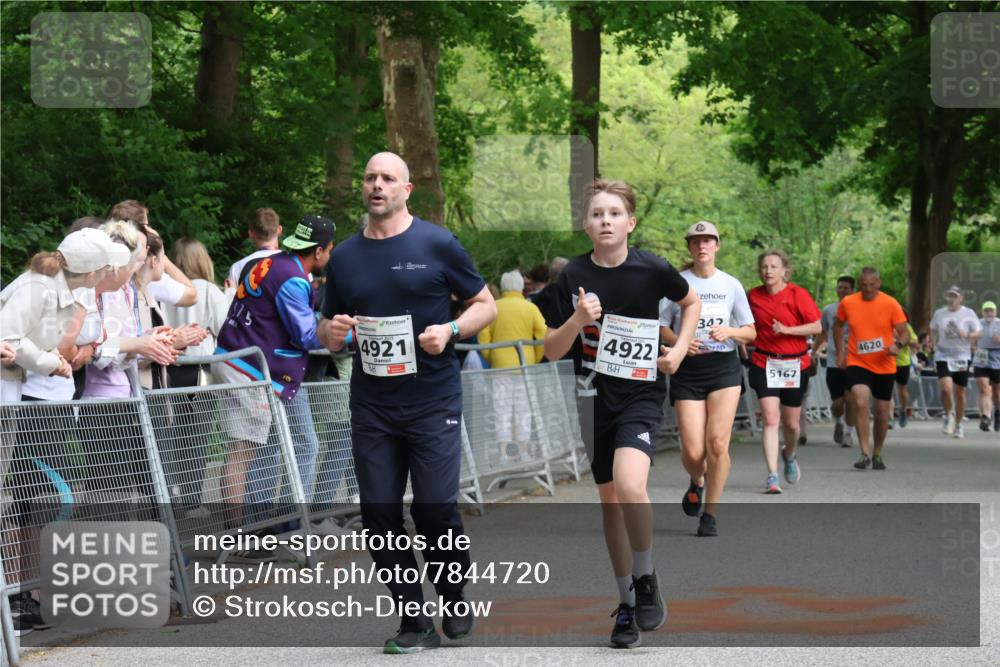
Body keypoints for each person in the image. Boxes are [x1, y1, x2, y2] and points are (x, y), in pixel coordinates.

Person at [318, 152, 496, 654]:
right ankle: (413, 620)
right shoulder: (346, 257)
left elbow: (486, 304)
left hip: (432, 399)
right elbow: (329, 327)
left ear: (406, 189)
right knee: (378, 516)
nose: (377, 185)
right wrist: (330, 331)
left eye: (388, 178)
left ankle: (454, 594)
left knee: (436, 509)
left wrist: (452, 329)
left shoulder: (436, 243)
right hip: (372, 404)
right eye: (370, 177)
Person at [542, 179, 700, 649]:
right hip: (592, 396)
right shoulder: (571, 276)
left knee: (632, 485)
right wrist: (576, 320)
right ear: (586, 225)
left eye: (614, 213)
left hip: (640, 393)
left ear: (630, 222)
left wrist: (680, 351)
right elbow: (551, 350)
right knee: (610, 501)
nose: (605, 220)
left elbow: (689, 303)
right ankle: (626, 604)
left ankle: (646, 577)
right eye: (597, 214)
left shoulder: (651, 269)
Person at [213, 215, 335, 547]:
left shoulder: (271, 261)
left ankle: (261, 526)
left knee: (256, 449)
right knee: (242, 452)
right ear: (322, 251)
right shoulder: (295, 279)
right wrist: (341, 333)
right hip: (249, 368)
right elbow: (307, 335)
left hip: (239, 359)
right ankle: (241, 537)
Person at [659, 221, 755, 538]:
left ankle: (710, 513)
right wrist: (680, 342)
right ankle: (697, 480)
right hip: (688, 368)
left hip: (723, 368)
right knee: (692, 451)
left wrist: (730, 331)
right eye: (696, 241)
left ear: (717, 246)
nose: (702, 246)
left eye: (708, 241)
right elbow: (660, 327)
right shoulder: (677, 283)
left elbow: (751, 331)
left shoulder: (731, 285)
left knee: (717, 443)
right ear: (689, 247)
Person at [746, 250, 822, 493]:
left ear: (784, 270)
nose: (768, 271)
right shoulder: (753, 296)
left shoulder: (797, 294)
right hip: (763, 362)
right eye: (764, 267)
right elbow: (743, 323)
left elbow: (817, 326)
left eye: (773, 267)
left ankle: (789, 455)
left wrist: (788, 331)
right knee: (770, 418)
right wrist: (740, 340)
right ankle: (772, 474)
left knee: (791, 424)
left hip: (794, 364)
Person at [833, 268, 909, 470]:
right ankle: (864, 453)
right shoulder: (848, 303)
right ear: (859, 284)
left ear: (878, 283)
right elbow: (838, 325)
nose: (867, 289)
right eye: (863, 285)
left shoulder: (891, 303)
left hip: (884, 364)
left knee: (882, 412)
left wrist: (898, 346)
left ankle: (877, 453)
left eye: (871, 285)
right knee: (859, 401)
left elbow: (904, 332)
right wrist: (840, 352)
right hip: (858, 362)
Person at [478, 269, 547, 461]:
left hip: (500, 366)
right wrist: (536, 357)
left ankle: (503, 452)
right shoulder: (530, 307)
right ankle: (524, 451)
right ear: (521, 286)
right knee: (523, 409)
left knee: (501, 408)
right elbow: (543, 335)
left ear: (502, 286)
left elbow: (483, 337)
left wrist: (492, 356)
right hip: (525, 366)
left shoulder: (494, 307)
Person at [929, 285, 982, 439]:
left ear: (961, 298)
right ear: (947, 297)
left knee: (960, 392)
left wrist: (968, 334)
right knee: (945, 388)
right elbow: (932, 328)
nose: (952, 299)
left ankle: (959, 424)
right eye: (950, 296)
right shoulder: (939, 313)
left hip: (961, 356)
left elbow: (979, 332)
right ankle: (948, 415)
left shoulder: (969, 313)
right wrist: (933, 341)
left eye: (955, 296)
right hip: (943, 354)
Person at [814, 276, 857, 447]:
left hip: (855, 361)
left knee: (851, 399)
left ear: (852, 290)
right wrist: (813, 352)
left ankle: (849, 433)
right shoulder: (829, 310)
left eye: (846, 288)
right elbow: (822, 332)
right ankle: (839, 422)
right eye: (840, 287)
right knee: (838, 403)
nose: (842, 290)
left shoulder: (859, 308)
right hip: (834, 362)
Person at [226, 207, 282, 288]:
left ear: (251, 233)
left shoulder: (237, 268)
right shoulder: (296, 264)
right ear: (279, 230)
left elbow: (230, 299)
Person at [973, 301, 1000, 432]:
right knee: (984, 389)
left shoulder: (999, 323)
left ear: (995, 312)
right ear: (983, 312)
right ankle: (986, 417)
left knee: (997, 392)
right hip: (981, 355)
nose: (989, 313)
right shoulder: (977, 323)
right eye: (986, 310)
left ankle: (998, 413)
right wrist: (973, 349)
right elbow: (972, 341)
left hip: (997, 356)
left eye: (991, 310)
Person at [892, 307, 919, 428]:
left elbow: (915, 344)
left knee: (902, 390)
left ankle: (903, 410)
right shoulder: (884, 324)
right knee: (886, 391)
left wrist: (901, 339)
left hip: (902, 362)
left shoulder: (906, 327)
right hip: (886, 361)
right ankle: (889, 418)